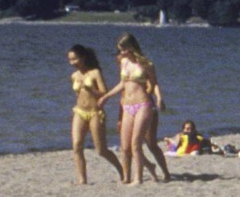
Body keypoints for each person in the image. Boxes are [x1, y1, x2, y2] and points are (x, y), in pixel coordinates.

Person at [108, 34, 168, 184]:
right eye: (119, 50)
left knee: (149, 143)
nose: (121, 53)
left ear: (131, 47)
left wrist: (158, 98)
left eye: (123, 50)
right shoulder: (124, 62)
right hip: (127, 105)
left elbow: (154, 84)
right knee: (126, 146)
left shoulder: (147, 64)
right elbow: (122, 85)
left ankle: (147, 177)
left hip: (144, 104)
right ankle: (127, 177)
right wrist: (105, 97)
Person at [64, 46, 127, 185]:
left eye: (75, 59)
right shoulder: (74, 76)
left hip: (95, 112)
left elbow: (104, 93)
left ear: (83, 57)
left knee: (101, 150)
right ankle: (82, 179)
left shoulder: (95, 73)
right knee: (76, 145)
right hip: (80, 111)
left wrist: (91, 90)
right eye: (70, 60)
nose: (73, 62)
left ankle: (122, 170)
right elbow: (78, 95)